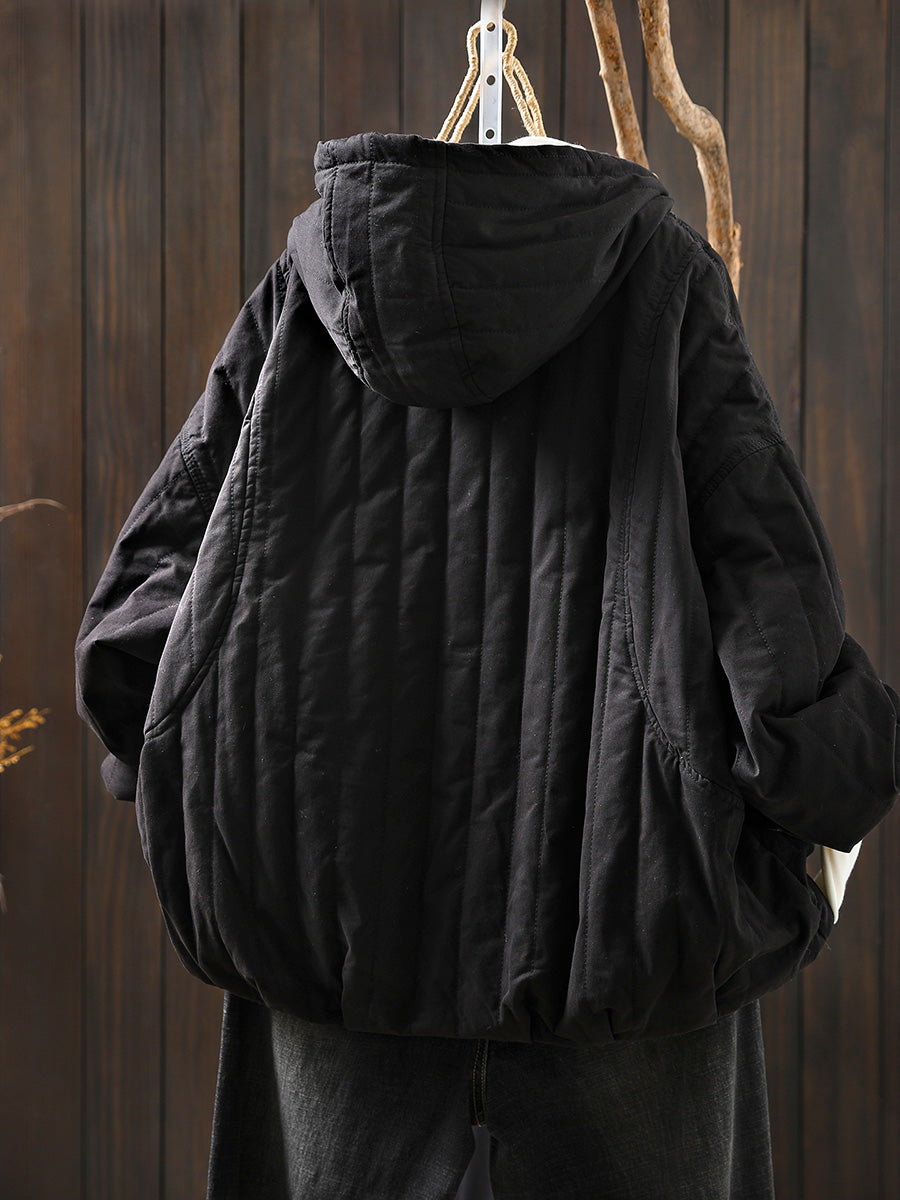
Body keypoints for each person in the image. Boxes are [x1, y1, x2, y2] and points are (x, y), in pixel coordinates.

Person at [75, 132, 900, 1199]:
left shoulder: (308, 292)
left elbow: (139, 617)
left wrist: (170, 762)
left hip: (329, 942)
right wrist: (827, 792)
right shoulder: (664, 281)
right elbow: (769, 597)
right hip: (624, 928)